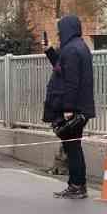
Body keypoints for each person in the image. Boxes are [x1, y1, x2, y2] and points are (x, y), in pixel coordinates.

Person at [51, 15, 94, 199]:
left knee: (72, 147)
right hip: (81, 107)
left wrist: (68, 108)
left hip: (74, 108)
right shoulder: (79, 47)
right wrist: (49, 52)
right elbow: (62, 68)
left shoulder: (71, 50)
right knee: (73, 147)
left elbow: (71, 81)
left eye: (60, 30)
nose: (58, 34)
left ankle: (77, 185)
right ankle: (76, 184)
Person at [42, 47, 67, 176]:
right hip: (58, 106)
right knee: (64, 138)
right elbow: (57, 62)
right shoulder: (62, 63)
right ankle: (60, 166)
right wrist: (49, 51)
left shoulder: (69, 64)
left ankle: (63, 167)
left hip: (63, 107)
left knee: (68, 139)